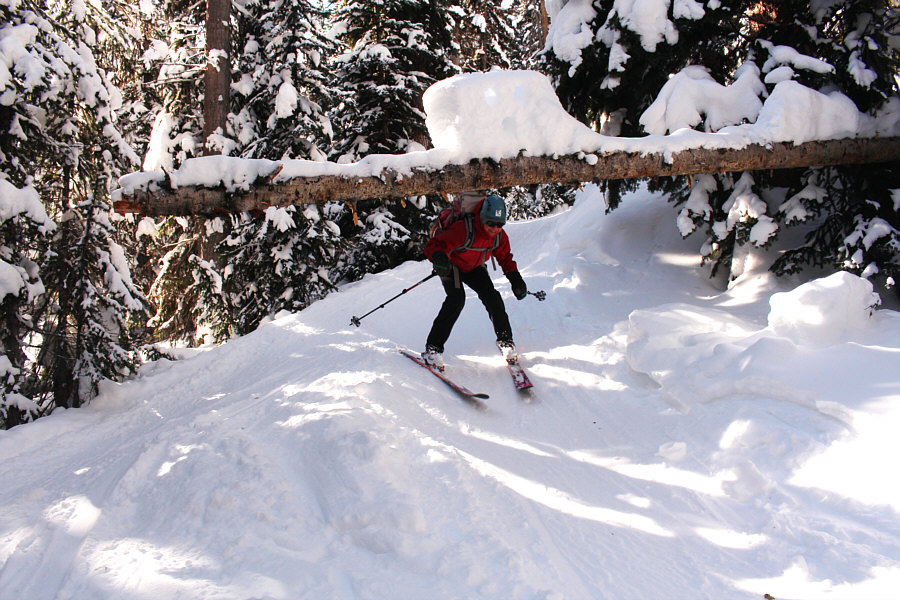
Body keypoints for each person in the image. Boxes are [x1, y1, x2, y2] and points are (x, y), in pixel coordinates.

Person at [422, 194, 527, 371]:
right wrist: (438, 258)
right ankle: (433, 350)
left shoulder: (499, 237)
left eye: (500, 224)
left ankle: (506, 342)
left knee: (493, 298)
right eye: (491, 223)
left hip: (473, 266)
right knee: (456, 299)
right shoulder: (463, 229)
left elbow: (505, 258)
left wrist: (515, 278)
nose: (495, 228)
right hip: (451, 265)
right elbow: (433, 245)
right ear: (482, 218)